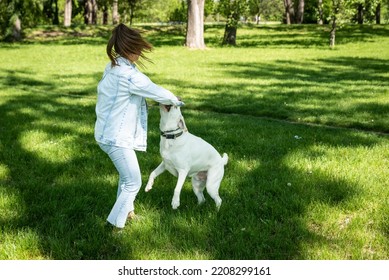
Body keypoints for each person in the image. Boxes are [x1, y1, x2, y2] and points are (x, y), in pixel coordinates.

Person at [94, 23, 183, 229]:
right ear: (127, 48)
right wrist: (175, 100)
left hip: (108, 133)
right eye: (138, 48)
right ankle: (114, 225)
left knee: (126, 178)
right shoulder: (128, 75)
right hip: (115, 138)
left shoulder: (115, 66)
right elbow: (153, 89)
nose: (141, 51)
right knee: (133, 182)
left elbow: (144, 89)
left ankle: (127, 212)